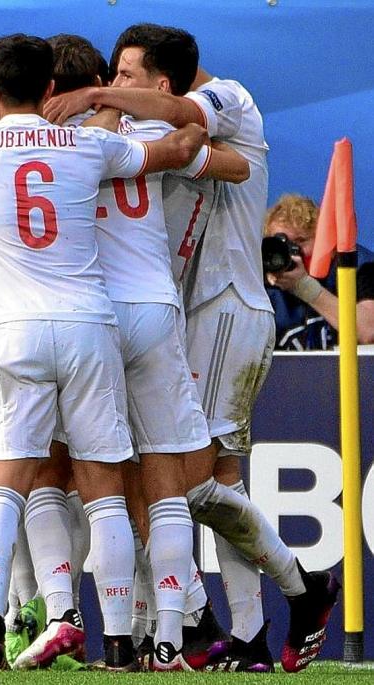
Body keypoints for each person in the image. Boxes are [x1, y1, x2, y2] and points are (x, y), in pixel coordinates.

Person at [0, 32, 210, 672]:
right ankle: (120, 641)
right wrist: (109, 107)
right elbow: (179, 144)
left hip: (13, 332)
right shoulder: (89, 143)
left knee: (6, 484)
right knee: (104, 490)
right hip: (87, 327)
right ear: (52, 89)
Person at [43, 23, 340, 674]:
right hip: (184, 316)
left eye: (126, 75)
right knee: (213, 483)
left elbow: (194, 129)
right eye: (109, 75)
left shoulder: (228, 99)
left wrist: (100, 98)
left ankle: (300, 587)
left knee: (186, 483)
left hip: (227, 306)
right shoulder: (132, 133)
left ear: (162, 80)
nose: (115, 88)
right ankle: (249, 634)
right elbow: (190, 145)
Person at [264, 193, 374, 349]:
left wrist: (305, 287)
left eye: (300, 241)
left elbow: (368, 331)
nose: (289, 251)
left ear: (326, 241)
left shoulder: (360, 268)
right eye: (280, 242)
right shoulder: (260, 285)